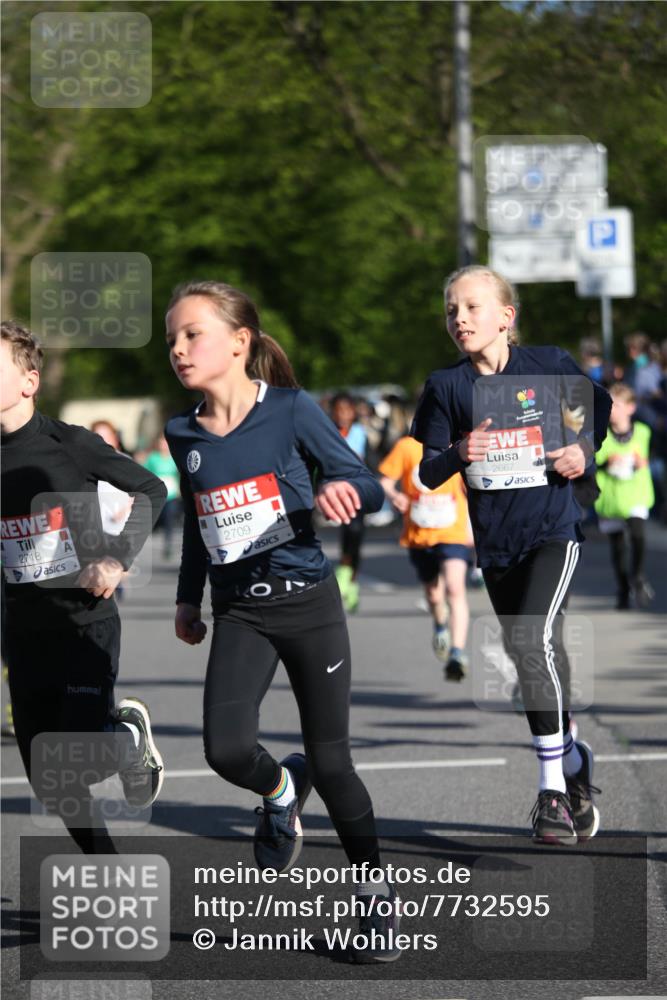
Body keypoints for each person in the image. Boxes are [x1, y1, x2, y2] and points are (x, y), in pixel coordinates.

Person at [164, 280, 401, 962]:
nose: (179, 350)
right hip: (239, 611)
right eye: (172, 339)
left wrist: (339, 489)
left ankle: (374, 903)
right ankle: (279, 788)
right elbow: (197, 523)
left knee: (332, 760)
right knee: (225, 751)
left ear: (239, 342)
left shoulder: (293, 411)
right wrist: (187, 597)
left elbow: (365, 482)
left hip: (308, 606)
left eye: (193, 334)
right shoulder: (183, 432)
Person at [411, 265, 611, 846]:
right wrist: (457, 451)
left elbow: (589, 426)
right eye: (451, 310)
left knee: (532, 639)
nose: (460, 319)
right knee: (534, 659)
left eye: (472, 308)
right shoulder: (448, 387)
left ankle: (550, 792)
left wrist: (580, 454)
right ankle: (574, 765)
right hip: (495, 543)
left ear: (506, 316)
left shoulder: (549, 365)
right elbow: (427, 470)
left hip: (554, 528)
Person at [0, 322, 167, 853]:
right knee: (52, 783)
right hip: (23, 635)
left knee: (76, 753)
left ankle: (126, 739)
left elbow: (150, 489)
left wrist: (116, 560)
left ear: (29, 381)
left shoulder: (67, 444)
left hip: (83, 623)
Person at [378, 435, 473, 680]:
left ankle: (457, 653)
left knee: (455, 588)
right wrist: (394, 496)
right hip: (419, 533)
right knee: (433, 593)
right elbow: (385, 481)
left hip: (452, 531)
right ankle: (440, 625)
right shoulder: (407, 446)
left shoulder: (459, 442)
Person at [595, 383, 654, 609]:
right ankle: (622, 587)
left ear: (630, 408)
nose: (612, 410)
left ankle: (637, 575)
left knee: (638, 534)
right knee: (618, 546)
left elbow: (647, 457)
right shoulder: (601, 434)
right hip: (610, 496)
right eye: (610, 405)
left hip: (635, 492)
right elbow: (592, 462)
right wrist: (605, 463)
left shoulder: (643, 432)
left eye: (617, 405)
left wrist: (641, 462)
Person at [330, 392, 367, 613]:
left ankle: (351, 581)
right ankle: (343, 575)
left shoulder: (360, 434)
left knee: (356, 535)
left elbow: (372, 461)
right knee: (348, 533)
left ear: (353, 412)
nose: (343, 415)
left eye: (347, 410)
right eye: (339, 410)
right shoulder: (327, 433)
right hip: (332, 494)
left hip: (357, 493)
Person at [141, 433, 182, 558]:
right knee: (157, 518)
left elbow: (179, 474)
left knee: (169, 519)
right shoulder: (153, 458)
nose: (163, 445)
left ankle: (167, 545)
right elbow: (144, 472)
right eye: (161, 443)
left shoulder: (174, 457)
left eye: (165, 443)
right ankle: (143, 542)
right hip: (158, 495)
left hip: (172, 495)